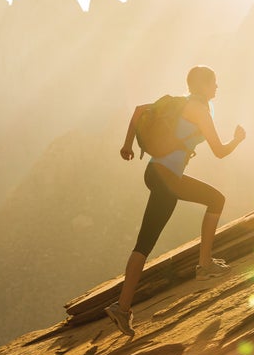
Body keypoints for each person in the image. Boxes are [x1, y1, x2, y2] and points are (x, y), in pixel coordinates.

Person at [105, 65, 246, 336]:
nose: (217, 87)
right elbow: (219, 152)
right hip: (167, 178)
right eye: (214, 83)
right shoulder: (201, 111)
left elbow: (137, 111)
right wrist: (238, 140)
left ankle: (123, 308)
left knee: (145, 243)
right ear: (203, 85)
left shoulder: (179, 103)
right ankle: (204, 266)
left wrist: (128, 145)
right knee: (215, 200)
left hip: (155, 172)